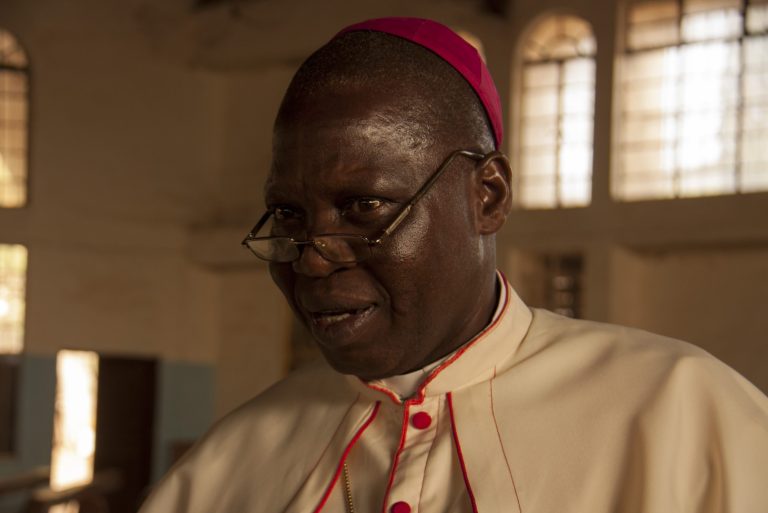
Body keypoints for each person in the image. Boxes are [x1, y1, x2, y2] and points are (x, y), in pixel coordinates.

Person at [139, 17, 768, 513]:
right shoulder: (229, 461)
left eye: (364, 206)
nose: (313, 261)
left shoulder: (684, 414)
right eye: (290, 216)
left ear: (486, 196)